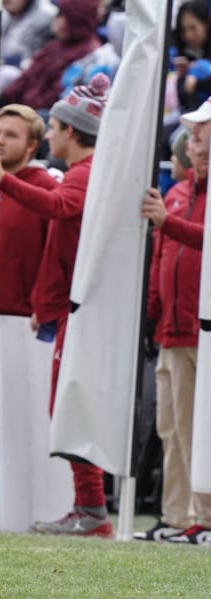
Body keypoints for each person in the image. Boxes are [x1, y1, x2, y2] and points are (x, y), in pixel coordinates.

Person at [0, 73, 112, 537]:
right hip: (60, 311)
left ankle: (92, 508)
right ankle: (89, 507)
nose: (50, 134)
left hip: (76, 313)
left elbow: (57, 209)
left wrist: (2, 181)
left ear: (70, 132)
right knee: (64, 407)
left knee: (69, 408)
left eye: (53, 128)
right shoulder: (82, 174)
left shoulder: (83, 175)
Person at [0, 104, 57, 529]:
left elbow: (51, 253)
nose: (0, 140)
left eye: (10, 134)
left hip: (20, 322)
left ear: (32, 144)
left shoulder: (43, 188)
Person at [135, 100, 211, 544]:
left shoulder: (175, 202)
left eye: (202, 135)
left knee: (198, 428)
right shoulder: (180, 193)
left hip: (202, 329)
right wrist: (151, 314)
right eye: (194, 136)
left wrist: (169, 224)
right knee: (173, 426)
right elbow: (162, 258)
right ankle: (178, 516)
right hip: (173, 329)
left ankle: (203, 514)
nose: (194, 143)